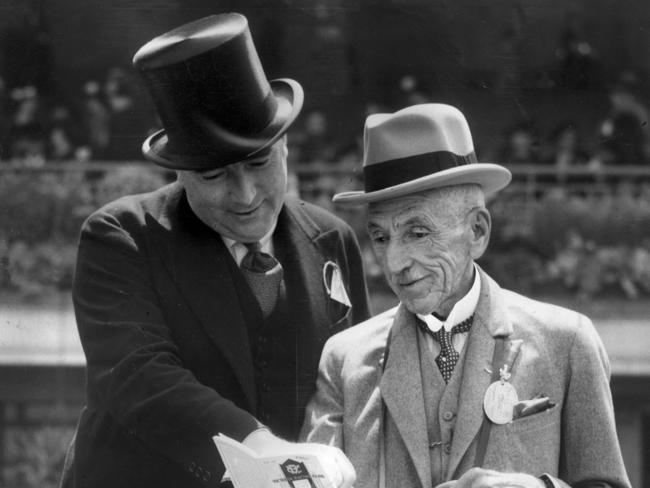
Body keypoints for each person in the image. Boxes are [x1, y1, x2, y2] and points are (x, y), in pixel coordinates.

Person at [60, 13, 368, 488]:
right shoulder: (120, 236)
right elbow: (139, 378)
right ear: (179, 171)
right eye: (213, 175)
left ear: (286, 145)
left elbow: (358, 386)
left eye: (259, 162)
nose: (245, 195)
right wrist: (262, 452)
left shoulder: (332, 241)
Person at [301, 103, 631, 488]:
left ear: (477, 231)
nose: (394, 262)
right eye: (380, 237)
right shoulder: (344, 360)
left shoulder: (568, 342)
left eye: (417, 233)